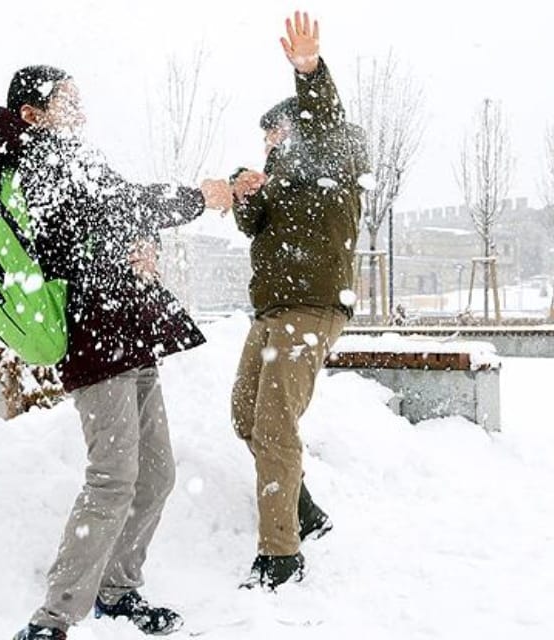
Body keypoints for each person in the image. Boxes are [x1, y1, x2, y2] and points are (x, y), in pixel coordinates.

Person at [0, 65, 234, 640]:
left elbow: (111, 220)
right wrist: (196, 199)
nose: (80, 109)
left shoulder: (70, 156)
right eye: (67, 100)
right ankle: (52, 620)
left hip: (128, 331)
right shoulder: (37, 161)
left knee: (156, 474)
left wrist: (142, 243)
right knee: (113, 477)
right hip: (93, 338)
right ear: (33, 113)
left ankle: (118, 590)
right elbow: (117, 207)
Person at [228, 11, 370, 591]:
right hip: (272, 311)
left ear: (300, 126)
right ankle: (304, 508)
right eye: (265, 136)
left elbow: (326, 118)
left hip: (311, 309)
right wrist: (244, 192)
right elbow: (252, 226)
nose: (270, 142)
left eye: (276, 132)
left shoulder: (334, 156)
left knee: (275, 425)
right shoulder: (280, 178)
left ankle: (281, 555)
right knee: (245, 414)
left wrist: (308, 70)